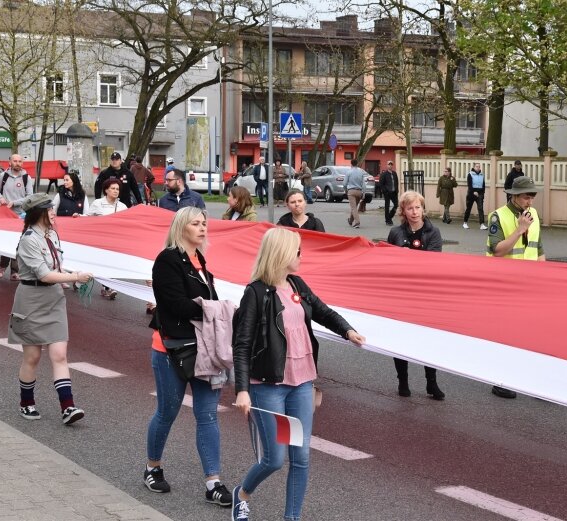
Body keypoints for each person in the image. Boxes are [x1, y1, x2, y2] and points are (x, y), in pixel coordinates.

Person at [231, 227, 365, 521]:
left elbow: (323, 311)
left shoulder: (296, 285)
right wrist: (241, 389)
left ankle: (291, 518)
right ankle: (241, 494)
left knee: (301, 457)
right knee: (274, 459)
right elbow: (241, 344)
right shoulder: (255, 293)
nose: (301, 255)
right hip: (268, 386)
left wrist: (348, 330)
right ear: (281, 254)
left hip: (302, 383)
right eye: (297, 250)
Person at [144, 206, 234, 506]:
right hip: (172, 348)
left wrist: (216, 309)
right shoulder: (167, 259)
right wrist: (218, 310)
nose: (202, 228)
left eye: (204, 223)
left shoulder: (200, 260)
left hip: (204, 348)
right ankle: (152, 467)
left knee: (207, 415)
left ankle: (213, 483)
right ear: (181, 227)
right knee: (167, 412)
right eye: (195, 223)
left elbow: (204, 301)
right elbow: (174, 304)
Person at [9, 193, 93, 424]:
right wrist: (76, 277)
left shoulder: (52, 234)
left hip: (54, 298)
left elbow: (56, 267)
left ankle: (68, 407)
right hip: (31, 299)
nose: (53, 212)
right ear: (38, 213)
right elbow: (44, 275)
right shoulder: (29, 239)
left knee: (59, 354)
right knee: (33, 356)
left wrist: (71, 275)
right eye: (49, 209)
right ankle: (26, 403)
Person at [486, 176, 546, 399]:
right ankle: (500, 380)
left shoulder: (534, 215)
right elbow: (498, 250)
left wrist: (545, 276)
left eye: (532, 196)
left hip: (529, 281)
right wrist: (520, 229)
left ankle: (532, 381)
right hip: (505, 283)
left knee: (532, 330)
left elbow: (538, 247)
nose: (529, 201)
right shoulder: (498, 216)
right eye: (525, 197)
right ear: (513, 196)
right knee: (506, 332)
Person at [386, 191, 445, 400]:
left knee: (428, 340)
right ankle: (403, 380)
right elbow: (389, 262)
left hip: (426, 295)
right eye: (410, 208)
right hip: (401, 295)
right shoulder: (395, 233)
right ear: (403, 211)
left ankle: (432, 382)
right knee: (400, 339)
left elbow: (432, 264)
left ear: (423, 209)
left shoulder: (433, 232)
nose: (414, 212)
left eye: (418, 207)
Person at [0, 154, 33, 280]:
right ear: (10, 162)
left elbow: (30, 196)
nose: (17, 163)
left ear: (22, 163)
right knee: (6, 241)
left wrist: (15, 203)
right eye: (15, 161)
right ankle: (3, 265)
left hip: (21, 215)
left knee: (18, 242)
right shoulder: (3, 176)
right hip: (6, 214)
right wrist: (0, 197)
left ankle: (14, 271)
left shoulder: (27, 178)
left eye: (20, 161)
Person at [88, 178, 128, 299]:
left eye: (117, 189)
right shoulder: (97, 203)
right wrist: (78, 217)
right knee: (103, 264)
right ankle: (81, 281)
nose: (116, 191)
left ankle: (108, 287)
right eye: (113, 188)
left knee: (113, 264)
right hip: (101, 240)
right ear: (106, 190)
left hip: (116, 240)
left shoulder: (122, 206)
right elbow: (88, 218)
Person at [462, 163, 487, 230]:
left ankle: (482, 224)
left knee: (480, 209)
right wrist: (473, 192)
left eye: (479, 166)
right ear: (474, 167)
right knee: (468, 208)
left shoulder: (482, 175)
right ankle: (465, 223)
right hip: (471, 194)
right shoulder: (470, 174)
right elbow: (469, 185)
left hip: (480, 194)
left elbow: (483, 185)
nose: (478, 168)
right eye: (476, 166)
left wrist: (482, 193)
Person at [343, 158, 365, 229]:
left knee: (353, 207)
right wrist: (363, 193)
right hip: (359, 191)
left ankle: (357, 222)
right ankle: (350, 220)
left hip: (351, 191)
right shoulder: (361, 172)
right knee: (354, 207)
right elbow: (363, 184)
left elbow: (344, 184)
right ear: (357, 163)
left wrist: (346, 191)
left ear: (351, 164)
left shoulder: (348, 172)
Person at [380, 160, 399, 226]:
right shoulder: (384, 174)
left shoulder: (394, 173)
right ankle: (388, 220)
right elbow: (381, 184)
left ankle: (389, 217)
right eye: (389, 164)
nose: (390, 165)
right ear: (387, 165)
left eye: (391, 164)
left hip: (394, 192)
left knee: (396, 205)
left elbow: (396, 182)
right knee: (387, 206)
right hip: (387, 193)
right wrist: (385, 191)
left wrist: (397, 190)